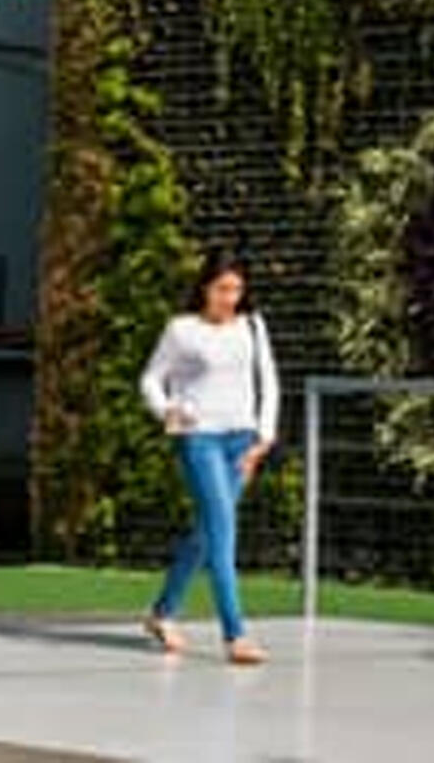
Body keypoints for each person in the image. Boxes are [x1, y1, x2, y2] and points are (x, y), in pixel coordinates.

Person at [138, 245, 280, 666]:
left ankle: (161, 613)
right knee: (223, 531)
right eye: (222, 288)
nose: (230, 298)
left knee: (206, 533)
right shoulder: (181, 330)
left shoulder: (253, 326)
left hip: (243, 439)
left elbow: (268, 382)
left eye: (237, 289)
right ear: (204, 287)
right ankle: (235, 634)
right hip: (199, 439)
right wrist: (167, 411)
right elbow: (151, 378)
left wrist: (265, 437)